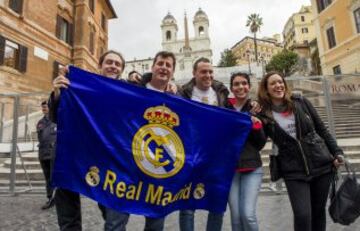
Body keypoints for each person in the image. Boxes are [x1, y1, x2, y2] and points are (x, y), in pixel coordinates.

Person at [50, 50, 176, 231]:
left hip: (109, 160)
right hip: (77, 152)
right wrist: (57, 92)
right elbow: (56, 117)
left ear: (122, 70)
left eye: (117, 64)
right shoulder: (81, 85)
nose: (113, 66)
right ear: (99, 66)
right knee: (68, 205)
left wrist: (169, 87)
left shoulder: (129, 90)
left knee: (111, 211)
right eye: (109, 62)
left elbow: (149, 84)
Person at [257, 71, 344, 231]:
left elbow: (322, 129)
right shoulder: (264, 113)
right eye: (273, 83)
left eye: (280, 82)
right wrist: (253, 117)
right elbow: (259, 141)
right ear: (266, 89)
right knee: (302, 215)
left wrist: (337, 152)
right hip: (292, 170)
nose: (278, 85)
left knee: (318, 213)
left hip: (320, 164)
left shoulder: (301, 102)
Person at [178, 57, 229, 231]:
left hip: (217, 157)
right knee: (187, 204)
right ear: (194, 73)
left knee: (216, 202)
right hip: (190, 155)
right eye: (203, 72)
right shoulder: (183, 93)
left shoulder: (221, 92)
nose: (208, 75)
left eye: (210, 71)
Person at [226, 72, 266, 231]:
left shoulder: (256, 108)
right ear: (231, 88)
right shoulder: (224, 107)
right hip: (230, 170)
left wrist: (256, 127)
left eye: (244, 83)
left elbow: (260, 143)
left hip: (252, 168)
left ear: (249, 86)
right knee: (235, 217)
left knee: (248, 214)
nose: (240, 87)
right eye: (236, 84)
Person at [36, 101, 57, 210]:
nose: (44, 108)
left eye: (46, 106)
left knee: (55, 177)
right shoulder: (40, 122)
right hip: (43, 154)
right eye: (43, 107)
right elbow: (40, 138)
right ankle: (50, 198)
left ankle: (57, 198)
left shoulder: (57, 121)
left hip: (54, 154)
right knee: (47, 178)